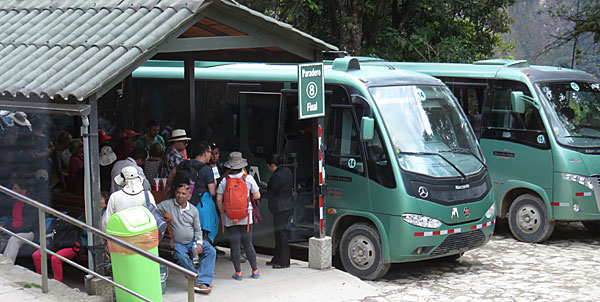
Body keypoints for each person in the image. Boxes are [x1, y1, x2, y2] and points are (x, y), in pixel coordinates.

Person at [157, 183, 216, 294]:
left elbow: (198, 229)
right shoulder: (167, 204)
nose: (180, 195)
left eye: (183, 193)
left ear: (189, 196)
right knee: (180, 256)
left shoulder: (193, 210)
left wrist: (199, 243)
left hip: (192, 242)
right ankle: (197, 280)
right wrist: (164, 215)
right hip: (177, 243)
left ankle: (203, 280)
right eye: (178, 193)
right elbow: (151, 209)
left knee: (211, 251)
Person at [216, 151, 260, 280]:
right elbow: (257, 195)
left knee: (234, 244)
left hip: (229, 216)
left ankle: (238, 273)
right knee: (248, 243)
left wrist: (223, 211)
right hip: (246, 215)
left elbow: (219, 199)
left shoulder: (225, 180)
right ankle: (255, 271)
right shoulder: (248, 178)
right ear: (241, 165)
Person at [168, 143, 219, 243]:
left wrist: (169, 187)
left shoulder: (184, 163)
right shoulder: (207, 169)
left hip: (183, 203)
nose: (211, 155)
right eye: (210, 152)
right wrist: (216, 182)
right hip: (200, 206)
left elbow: (172, 174)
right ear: (205, 154)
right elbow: (212, 192)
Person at [102, 166, 156, 231]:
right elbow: (155, 218)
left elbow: (106, 222)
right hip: (144, 236)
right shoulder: (147, 195)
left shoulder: (115, 197)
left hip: (121, 237)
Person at [265, 154, 294, 268]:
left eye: (268, 166)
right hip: (287, 206)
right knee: (280, 233)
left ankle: (284, 261)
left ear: (272, 165)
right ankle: (277, 258)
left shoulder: (276, 176)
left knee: (281, 235)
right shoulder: (287, 171)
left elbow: (271, 192)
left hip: (280, 208)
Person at [0, 178, 39, 263]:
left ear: (23, 191)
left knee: (14, 239)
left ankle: (8, 264)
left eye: (15, 189)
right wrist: (4, 227)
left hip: (29, 232)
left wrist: (10, 230)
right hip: (14, 230)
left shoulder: (31, 203)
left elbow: (28, 225)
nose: (12, 191)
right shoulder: (15, 202)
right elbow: (11, 219)